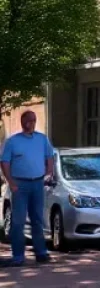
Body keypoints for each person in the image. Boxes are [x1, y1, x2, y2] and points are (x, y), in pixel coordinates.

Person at [0, 111, 54, 267]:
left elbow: (49, 156)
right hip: (19, 185)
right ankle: (18, 256)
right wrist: (10, 181)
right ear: (23, 122)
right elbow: (4, 162)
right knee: (18, 221)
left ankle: (41, 253)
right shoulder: (12, 142)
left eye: (34, 120)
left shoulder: (42, 139)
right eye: (29, 120)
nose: (31, 123)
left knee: (37, 219)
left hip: (37, 183)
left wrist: (49, 172)